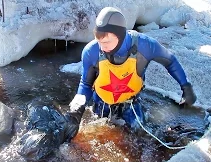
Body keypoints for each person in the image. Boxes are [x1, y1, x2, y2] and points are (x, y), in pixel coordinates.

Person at [66, 7, 197, 143]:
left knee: (142, 139)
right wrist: (76, 111)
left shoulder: (145, 45)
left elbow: (170, 61)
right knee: (99, 137)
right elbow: (86, 84)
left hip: (131, 104)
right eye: (99, 41)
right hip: (101, 104)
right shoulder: (91, 51)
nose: (102, 47)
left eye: (107, 42)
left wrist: (186, 87)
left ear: (121, 36)